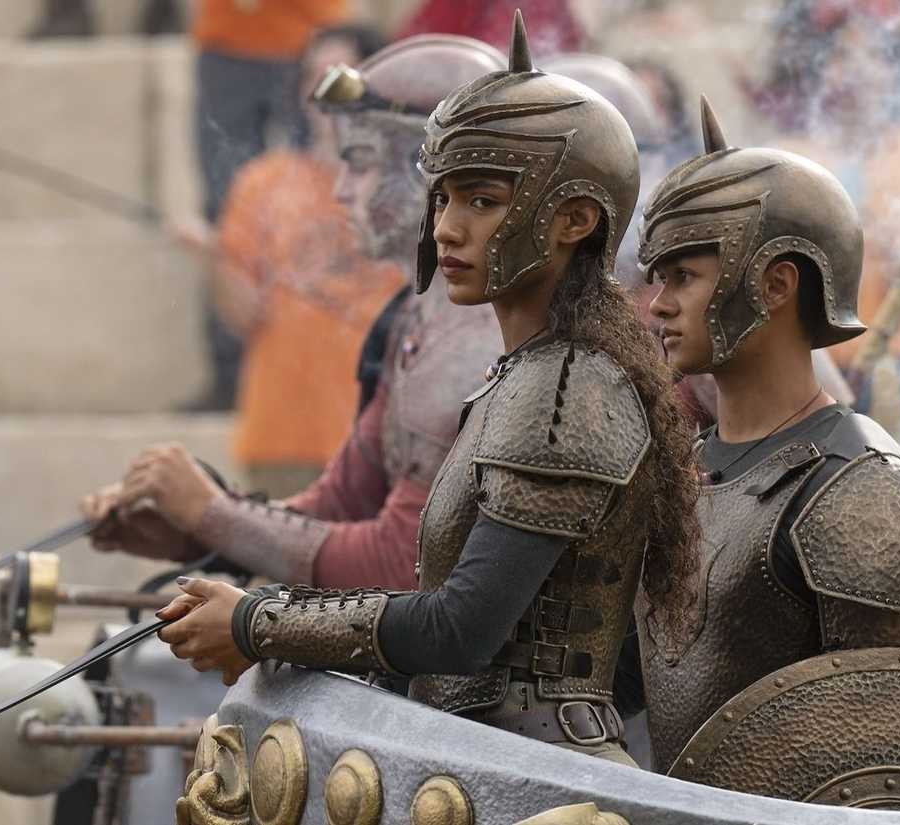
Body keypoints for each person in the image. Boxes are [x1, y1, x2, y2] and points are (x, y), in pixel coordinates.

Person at [151, 13, 702, 767]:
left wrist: (258, 621)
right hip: (473, 755)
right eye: (442, 198)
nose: (447, 226)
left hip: (539, 778)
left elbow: (458, 628)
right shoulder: (529, 373)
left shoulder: (570, 388)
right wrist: (208, 541)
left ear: (573, 218)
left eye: (481, 200)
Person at [80, 35, 508, 591]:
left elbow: (402, 562)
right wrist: (194, 532)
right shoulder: (419, 314)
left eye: (360, 163)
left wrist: (214, 515)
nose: (341, 188)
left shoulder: (473, 332)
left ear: (428, 176)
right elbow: (340, 504)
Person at [632, 98, 900, 772]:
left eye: (685, 277)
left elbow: (886, 769)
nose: (658, 303)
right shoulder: (691, 470)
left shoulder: (859, 489)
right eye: (659, 278)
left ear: (776, 284)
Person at [203, 24, 397, 498]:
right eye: (310, 78)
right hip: (283, 441)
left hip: (387, 441)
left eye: (336, 78)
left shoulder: (411, 189)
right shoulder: (263, 182)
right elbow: (243, 317)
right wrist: (213, 255)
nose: (318, 94)